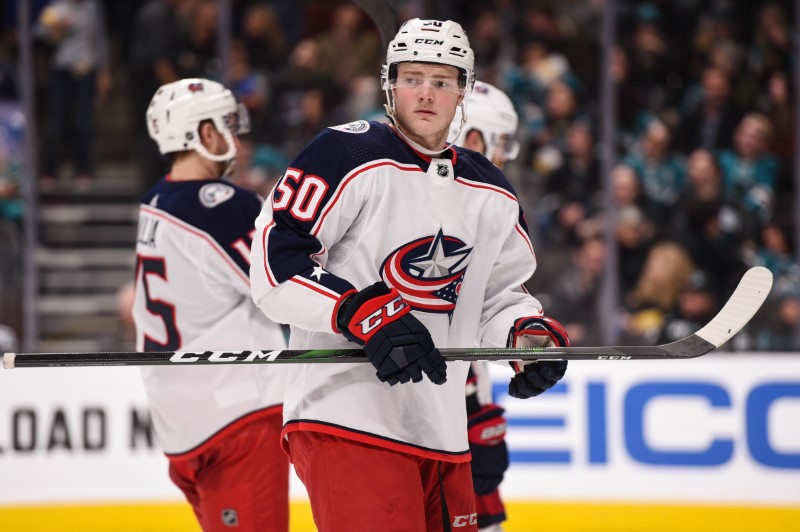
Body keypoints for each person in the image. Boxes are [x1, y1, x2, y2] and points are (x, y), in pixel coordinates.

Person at [250, 19, 569, 531]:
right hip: (348, 416)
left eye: (442, 81)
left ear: (462, 90)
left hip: (442, 430)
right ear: (389, 83)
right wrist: (358, 311)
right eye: (413, 77)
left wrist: (524, 335)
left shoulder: (491, 189)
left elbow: (499, 294)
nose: (426, 93)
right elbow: (274, 265)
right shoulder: (345, 152)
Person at [132, 78, 289, 532]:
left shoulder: (154, 201)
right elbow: (288, 289)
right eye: (227, 127)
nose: (236, 141)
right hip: (236, 419)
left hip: (181, 422)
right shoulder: (223, 205)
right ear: (203, 134)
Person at [447, 80, 519, 532]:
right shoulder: (464, 204)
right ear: (473, 138)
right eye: (502, 141)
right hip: (443, 395)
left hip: (459, 382)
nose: (506, 155)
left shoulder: (484, 203)